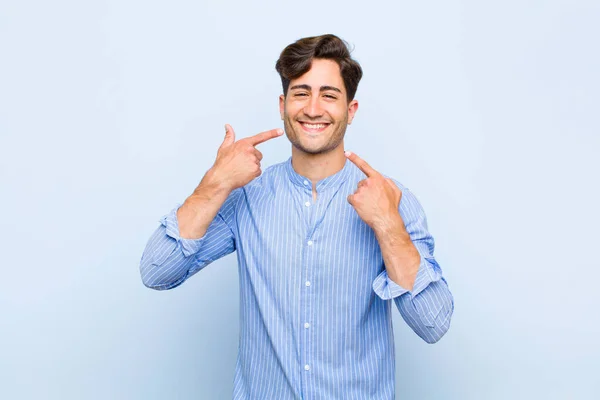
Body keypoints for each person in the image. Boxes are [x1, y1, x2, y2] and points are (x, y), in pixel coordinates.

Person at [140, 34, 454, 400]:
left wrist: (387, 225)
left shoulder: (392, 200)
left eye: (329, 95)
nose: (313, 108)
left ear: (350, 111)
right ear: (283, 104)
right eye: (301, 93)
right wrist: (215, 183)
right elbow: (157, 272)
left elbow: (433, 322)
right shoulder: (246, 198)